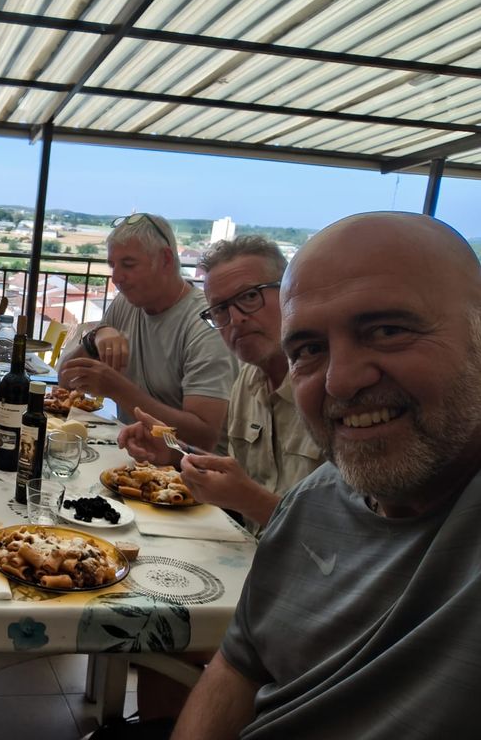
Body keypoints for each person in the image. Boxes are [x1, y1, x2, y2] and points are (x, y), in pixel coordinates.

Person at [171, 211, 481, 739]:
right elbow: (238, 667)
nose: (341, 381)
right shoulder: (313, 500)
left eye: (388, 330)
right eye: (310, 349)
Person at [119, 236, 324, 534]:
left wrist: (250, 501)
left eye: (250, 296)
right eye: (220, 309)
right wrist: (175, 451)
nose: (236, 319)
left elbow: (353, 538)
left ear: (289, 294)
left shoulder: (330, 391)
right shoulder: (246, 381)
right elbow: (239, 476)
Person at [58, 213, 236, 452]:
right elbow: (64, 380)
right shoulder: (126, 303)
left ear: (165, 260)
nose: (116, 278)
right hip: (132, 453)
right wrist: (94, 338)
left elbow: (203, 438)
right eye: (113, 265)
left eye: (128, 265)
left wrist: (118, 389)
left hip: (189, 468)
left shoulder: (204, 324)